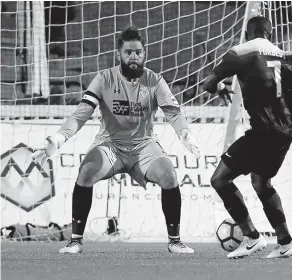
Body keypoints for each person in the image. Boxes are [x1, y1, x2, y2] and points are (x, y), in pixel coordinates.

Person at [32, 27, 200, 254]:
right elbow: (81, 113)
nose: (134, 57)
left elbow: (174, 113)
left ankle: (175, 241)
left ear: (145, 53)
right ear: (118, 55)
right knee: (86, 172)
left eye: (138, 52)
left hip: (144, 146)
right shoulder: (104, 78)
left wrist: (184, 133)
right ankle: (75, 241)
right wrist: (59, 138)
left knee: (169, 174)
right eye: (128, 52)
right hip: (110, 145)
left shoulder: (155, 81)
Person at [204, 16, 292, 259]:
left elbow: (208, 84)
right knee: (261, 183)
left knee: (220, 179)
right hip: (285, 132)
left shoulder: (240, 52)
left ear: (247, 33)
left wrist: (221, 87)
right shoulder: (286, 56)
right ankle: (286, 242)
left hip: (262, 132)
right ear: (271, 33)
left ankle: (251, 237)